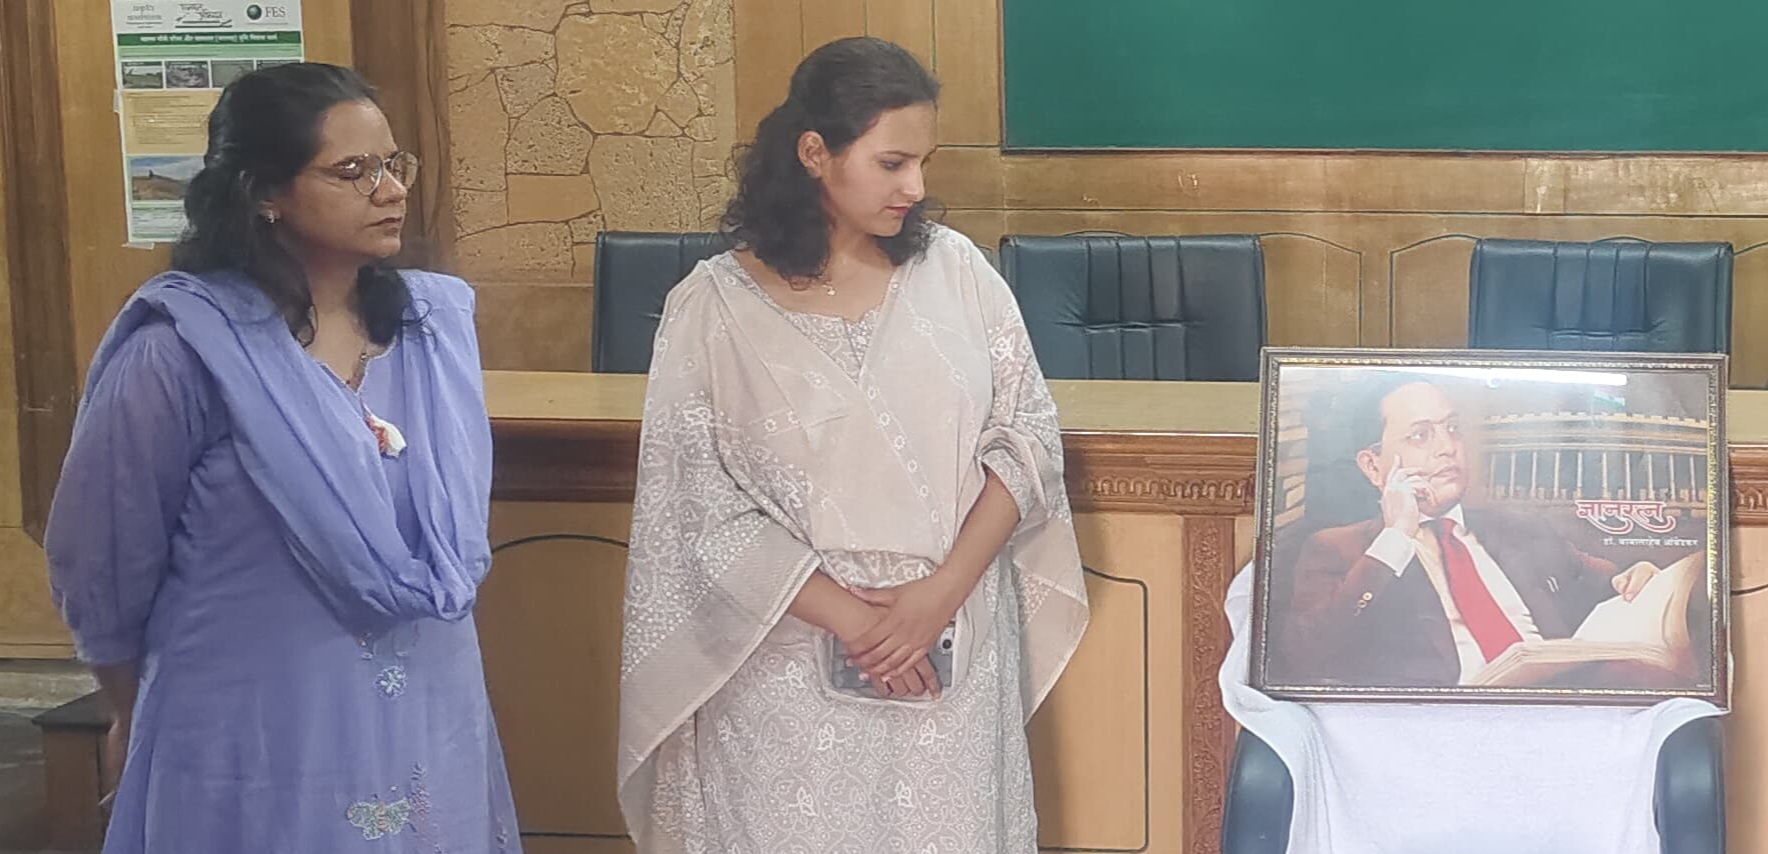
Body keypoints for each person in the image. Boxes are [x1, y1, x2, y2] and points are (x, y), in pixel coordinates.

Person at [616, 36, 1089, 853]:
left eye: (923, 163)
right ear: (814, 153)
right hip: (781, 678)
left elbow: (1028, 439)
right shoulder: (711, 308)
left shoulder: (958, 273)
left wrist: (937, 598)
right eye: (892, 163)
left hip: (952, 653)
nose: (917, 188)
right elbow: (698, 503)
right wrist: (859, 625)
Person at [44, 63, 519, 852]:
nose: (391, 190)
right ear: (265, 192)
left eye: (393, 163)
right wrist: (131, 709)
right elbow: (103, 559)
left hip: (428, 721)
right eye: (352, 170)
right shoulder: (182, 353)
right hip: (252, 736)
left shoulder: (430, 333)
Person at [1270, 375, 1661, 687]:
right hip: (1439, 725)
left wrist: (1634, 579)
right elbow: (1307, 654)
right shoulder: (1340, 550)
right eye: (1421, 435)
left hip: (1558, 703)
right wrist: (1395, 538)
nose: (1448, 447)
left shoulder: (1519, 528)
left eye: (1453, 428)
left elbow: (1605, 583)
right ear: (1373, 466)